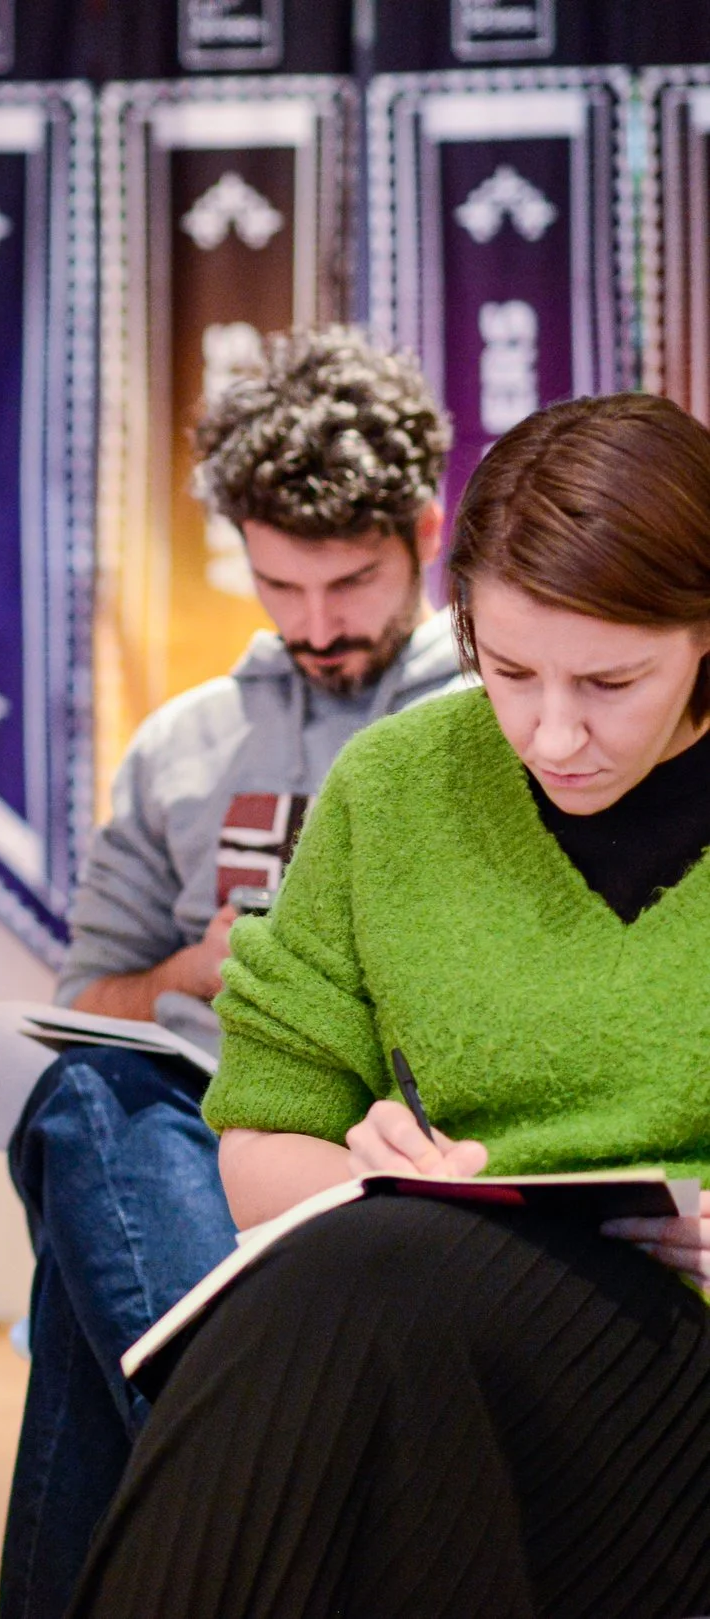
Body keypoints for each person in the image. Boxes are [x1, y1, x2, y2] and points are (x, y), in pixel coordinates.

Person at [70, 391, 710, 1618]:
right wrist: (356, 1178)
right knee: (372, 1283)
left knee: (364, 1313)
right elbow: (259, 1136)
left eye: (611, 680)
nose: (553, 730)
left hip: (672, 1368)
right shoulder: (399, 785)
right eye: (508, 668)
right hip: (439, 1334)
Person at [0, 328, 463, 1619]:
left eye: (351, 583)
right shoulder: (181, 747)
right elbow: (80, 999)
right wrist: (197, 967)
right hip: (189, 1143)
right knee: (86, 1093)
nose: (316, 625)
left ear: (426, 529)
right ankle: (270, 1463)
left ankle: (241, 1464)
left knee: (87, 1303)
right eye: (279, 584)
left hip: (387, 1147)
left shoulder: (497, 717)